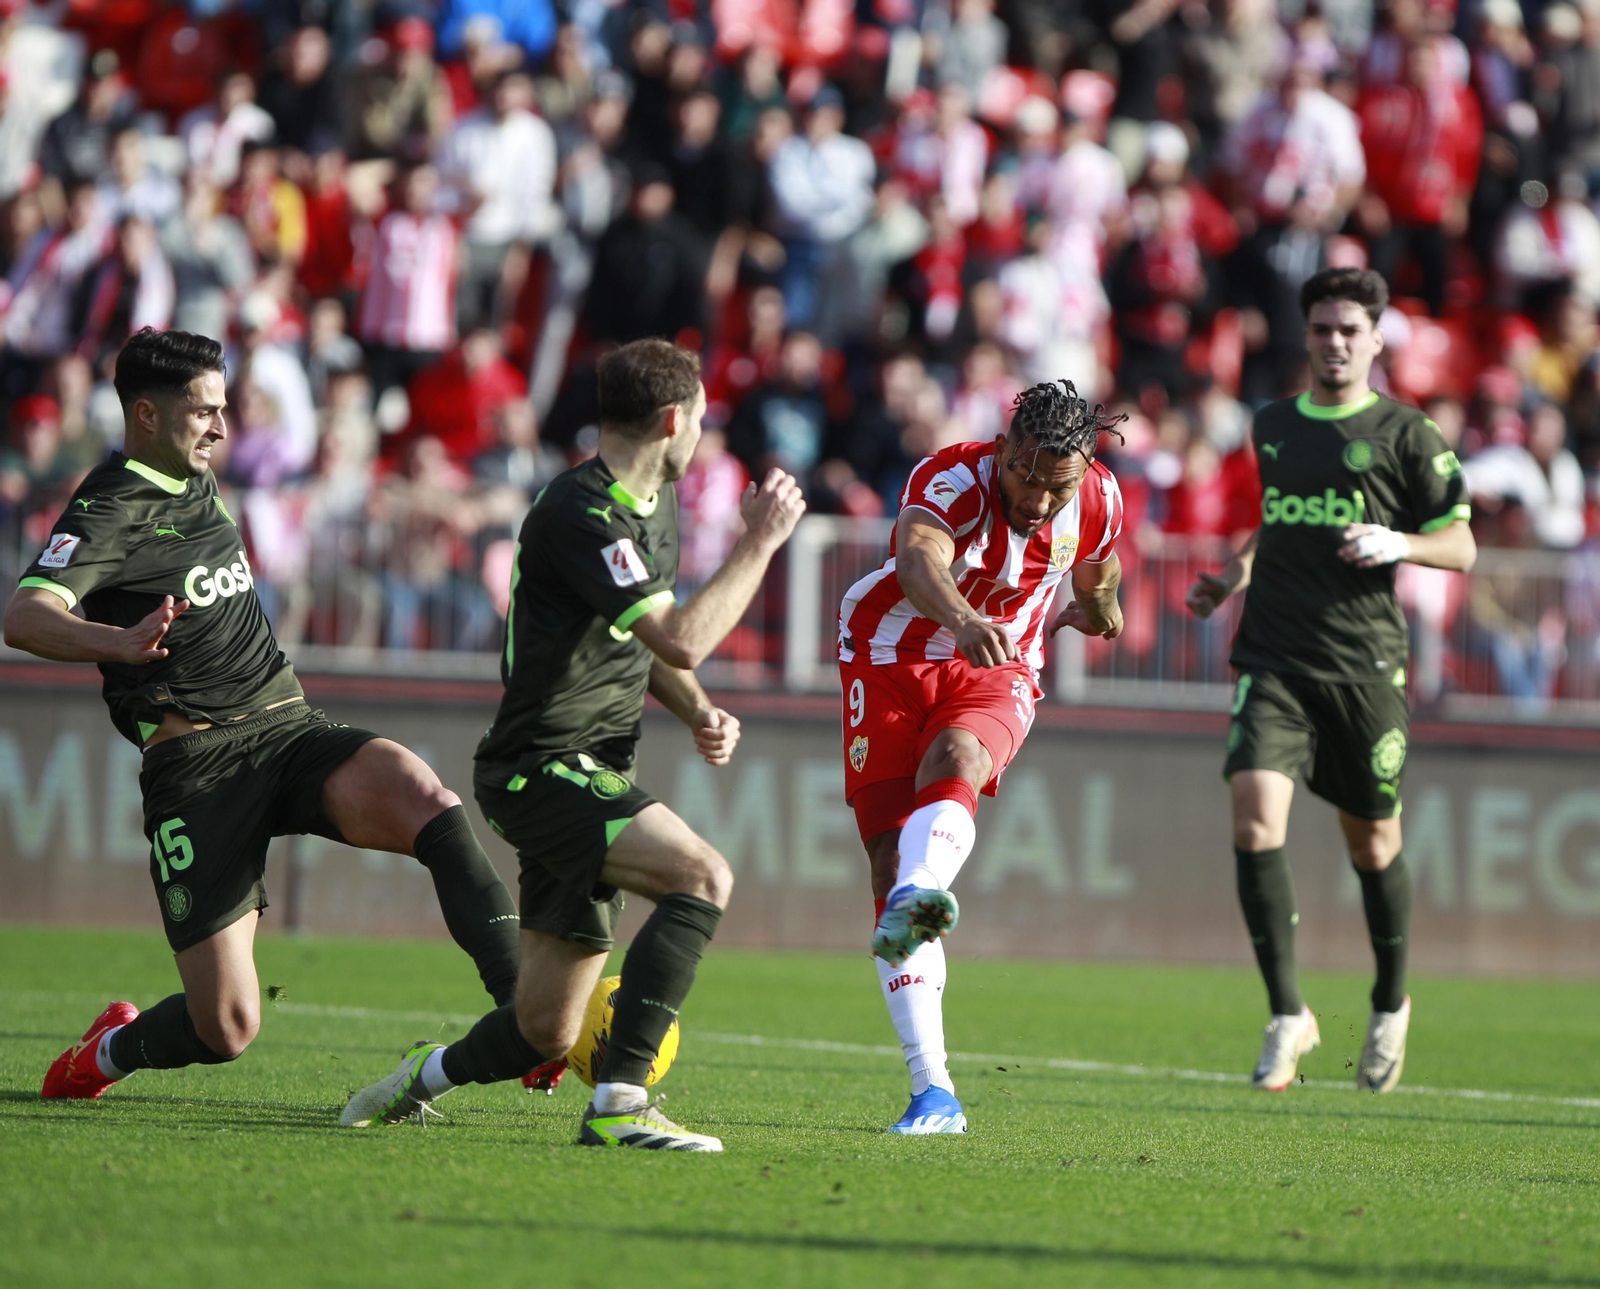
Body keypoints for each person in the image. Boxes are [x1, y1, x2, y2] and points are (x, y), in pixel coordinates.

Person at [6, 329, 523, 1101]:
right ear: (145, 416)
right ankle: (109, 1049)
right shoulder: (111, 505)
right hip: (199, 772)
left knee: (428, 799)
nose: (221, 427)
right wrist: (116, 639)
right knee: (229, 1026)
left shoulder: (199, 478)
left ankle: (529, 1014)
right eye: (203, 412)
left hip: (286, 727)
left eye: (223, 408)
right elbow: (25, 613)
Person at [341, 339, 805, 1150]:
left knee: (544, 1031)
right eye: (699, 416)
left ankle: (417, 1076)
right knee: (702, 877)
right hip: (543, 768)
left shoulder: (652, 504)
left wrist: (695, 709)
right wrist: (761, 542)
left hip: (582, 768)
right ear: (673, 418)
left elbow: (642, 648)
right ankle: (621, 1102)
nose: (701, 431)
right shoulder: (581, 512)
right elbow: (683, 636)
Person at [1184, 267, 1476, 1094]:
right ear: (1306, 336)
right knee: (1251, 821)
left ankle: (1390, 1002)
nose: (1336, 342)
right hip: (1274, 655)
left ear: (1377, 339)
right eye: (1322, 328)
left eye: (1351, 328)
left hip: (1363, 667)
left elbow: (1462, 546)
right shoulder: (1273, 424)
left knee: (1372, 843)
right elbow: (1276, 521)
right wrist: (1232, 577)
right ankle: (1288, 1013)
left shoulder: (1407, 434)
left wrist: (1399, 544)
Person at [837, 379, 1128, 1134]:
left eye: (1054, 484)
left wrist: (1098, 613)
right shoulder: (950, 477)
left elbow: (1101, 578)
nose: (1036, 497)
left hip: (1000, 663)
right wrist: (964, 617)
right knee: (882, 860)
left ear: (1084, 472)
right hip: (890, 649)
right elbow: (916, 561)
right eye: (1024, 475)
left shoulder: (1098, 499)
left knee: (960, 756)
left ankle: (925, 888)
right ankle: (932, 1086)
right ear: (1002, 452)